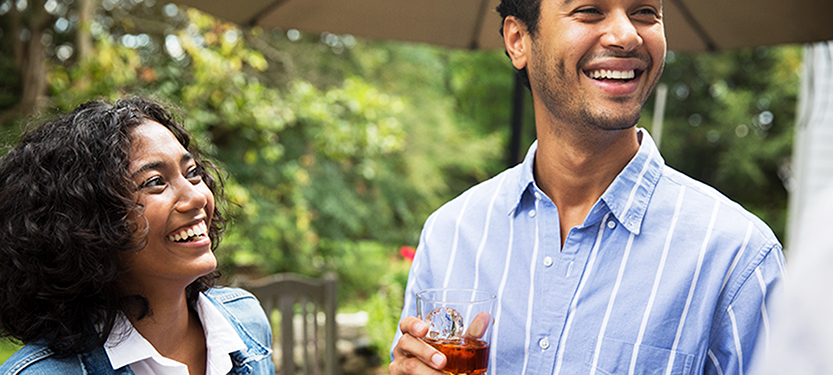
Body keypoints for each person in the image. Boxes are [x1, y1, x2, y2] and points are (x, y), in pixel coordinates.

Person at [390, 0, 785, 374]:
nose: (627, 35)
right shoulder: (450, 235)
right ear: (518, 40)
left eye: (645, 12)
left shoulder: (737, 257)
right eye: (590, 10)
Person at [0, 98, 275, 374]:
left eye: (192, 173)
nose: (197, 197)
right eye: (155, 181)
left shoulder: (246, 322)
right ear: (87, 222)